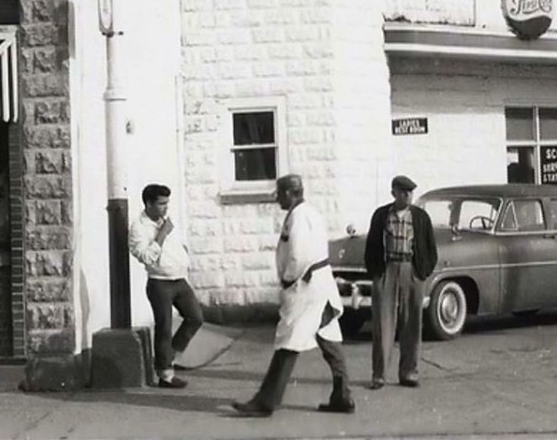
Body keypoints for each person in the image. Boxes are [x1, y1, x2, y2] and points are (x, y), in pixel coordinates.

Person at [232, 174, 355, 417]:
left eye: (279, 193)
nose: (277, 198)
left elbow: (298, 253)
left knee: (288, 341)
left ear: (290, 193)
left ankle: (266, 401)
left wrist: (288, 280)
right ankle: (342, 396)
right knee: (328, 338)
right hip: (319, 283)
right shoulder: (310, 212)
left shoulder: (299, 217)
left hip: (306, 285)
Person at [364, 175, 437, 389]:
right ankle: (379, 375)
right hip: (387, 269)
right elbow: (371, 246)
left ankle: (409, 372)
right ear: (393, 193)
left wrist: (422, 272)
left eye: (410, 192)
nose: (408, 196)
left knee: (412, 323)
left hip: (411, 270)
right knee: (383, 324)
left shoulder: (421, 217)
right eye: (403, 192)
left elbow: (431, 250)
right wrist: (377, 274)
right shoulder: (381, 215)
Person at [128, 183, 203, 389]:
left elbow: (179, 245)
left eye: (167, 203)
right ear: (149, 204)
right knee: (164, 328)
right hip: (160, 283)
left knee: (195, 317)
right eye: (161, 204)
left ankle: (171, 357)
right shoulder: (138, 227)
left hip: (179, 279)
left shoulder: (168, 221)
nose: (165, 208)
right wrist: (161, 234)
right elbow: (145, 257)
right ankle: (165, 375)